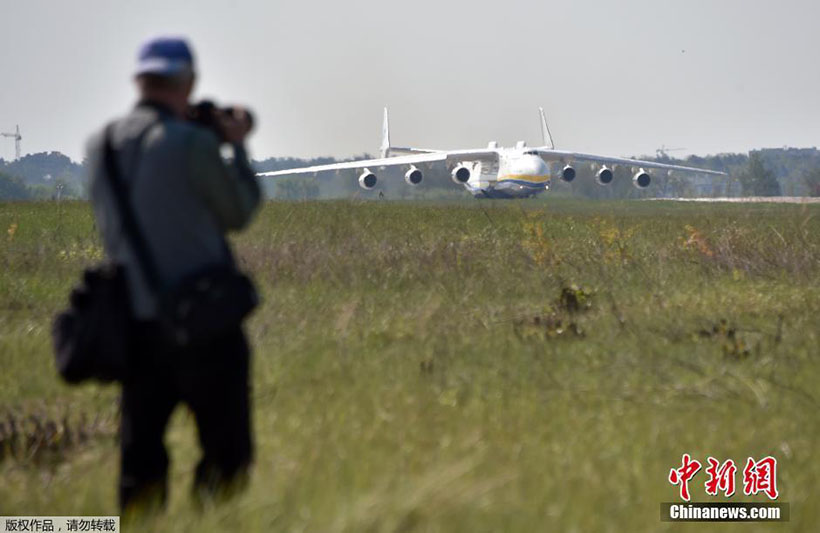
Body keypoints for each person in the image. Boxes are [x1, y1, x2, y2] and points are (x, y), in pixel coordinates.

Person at [86, 36, 261, 513]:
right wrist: (237, 149)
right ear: (189, 83)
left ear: (139, 80)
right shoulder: (191, 143)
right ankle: (205, 522)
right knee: (227, 453)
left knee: (140, 459)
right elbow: (238, 212)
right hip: (204, 323)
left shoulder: (101, 145)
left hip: (135, 326)